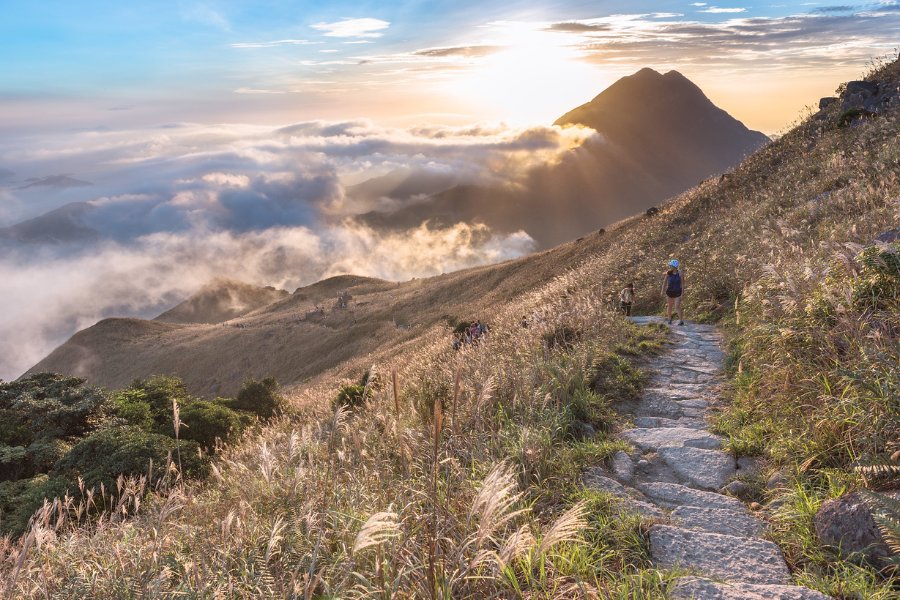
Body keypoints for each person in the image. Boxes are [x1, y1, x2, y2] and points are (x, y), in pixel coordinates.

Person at [662, 260, 684, 325]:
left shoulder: (680, 273)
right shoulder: (668, 273)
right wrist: (662, 290)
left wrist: (683, 293)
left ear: (674, 266)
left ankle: (681, 321)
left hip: (678, 292)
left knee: (677, 306)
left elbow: (682, 284)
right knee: (670, 306)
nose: (670, 266)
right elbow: (664, 282)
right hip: (669, 292)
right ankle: (669, 319)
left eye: (671, 265)